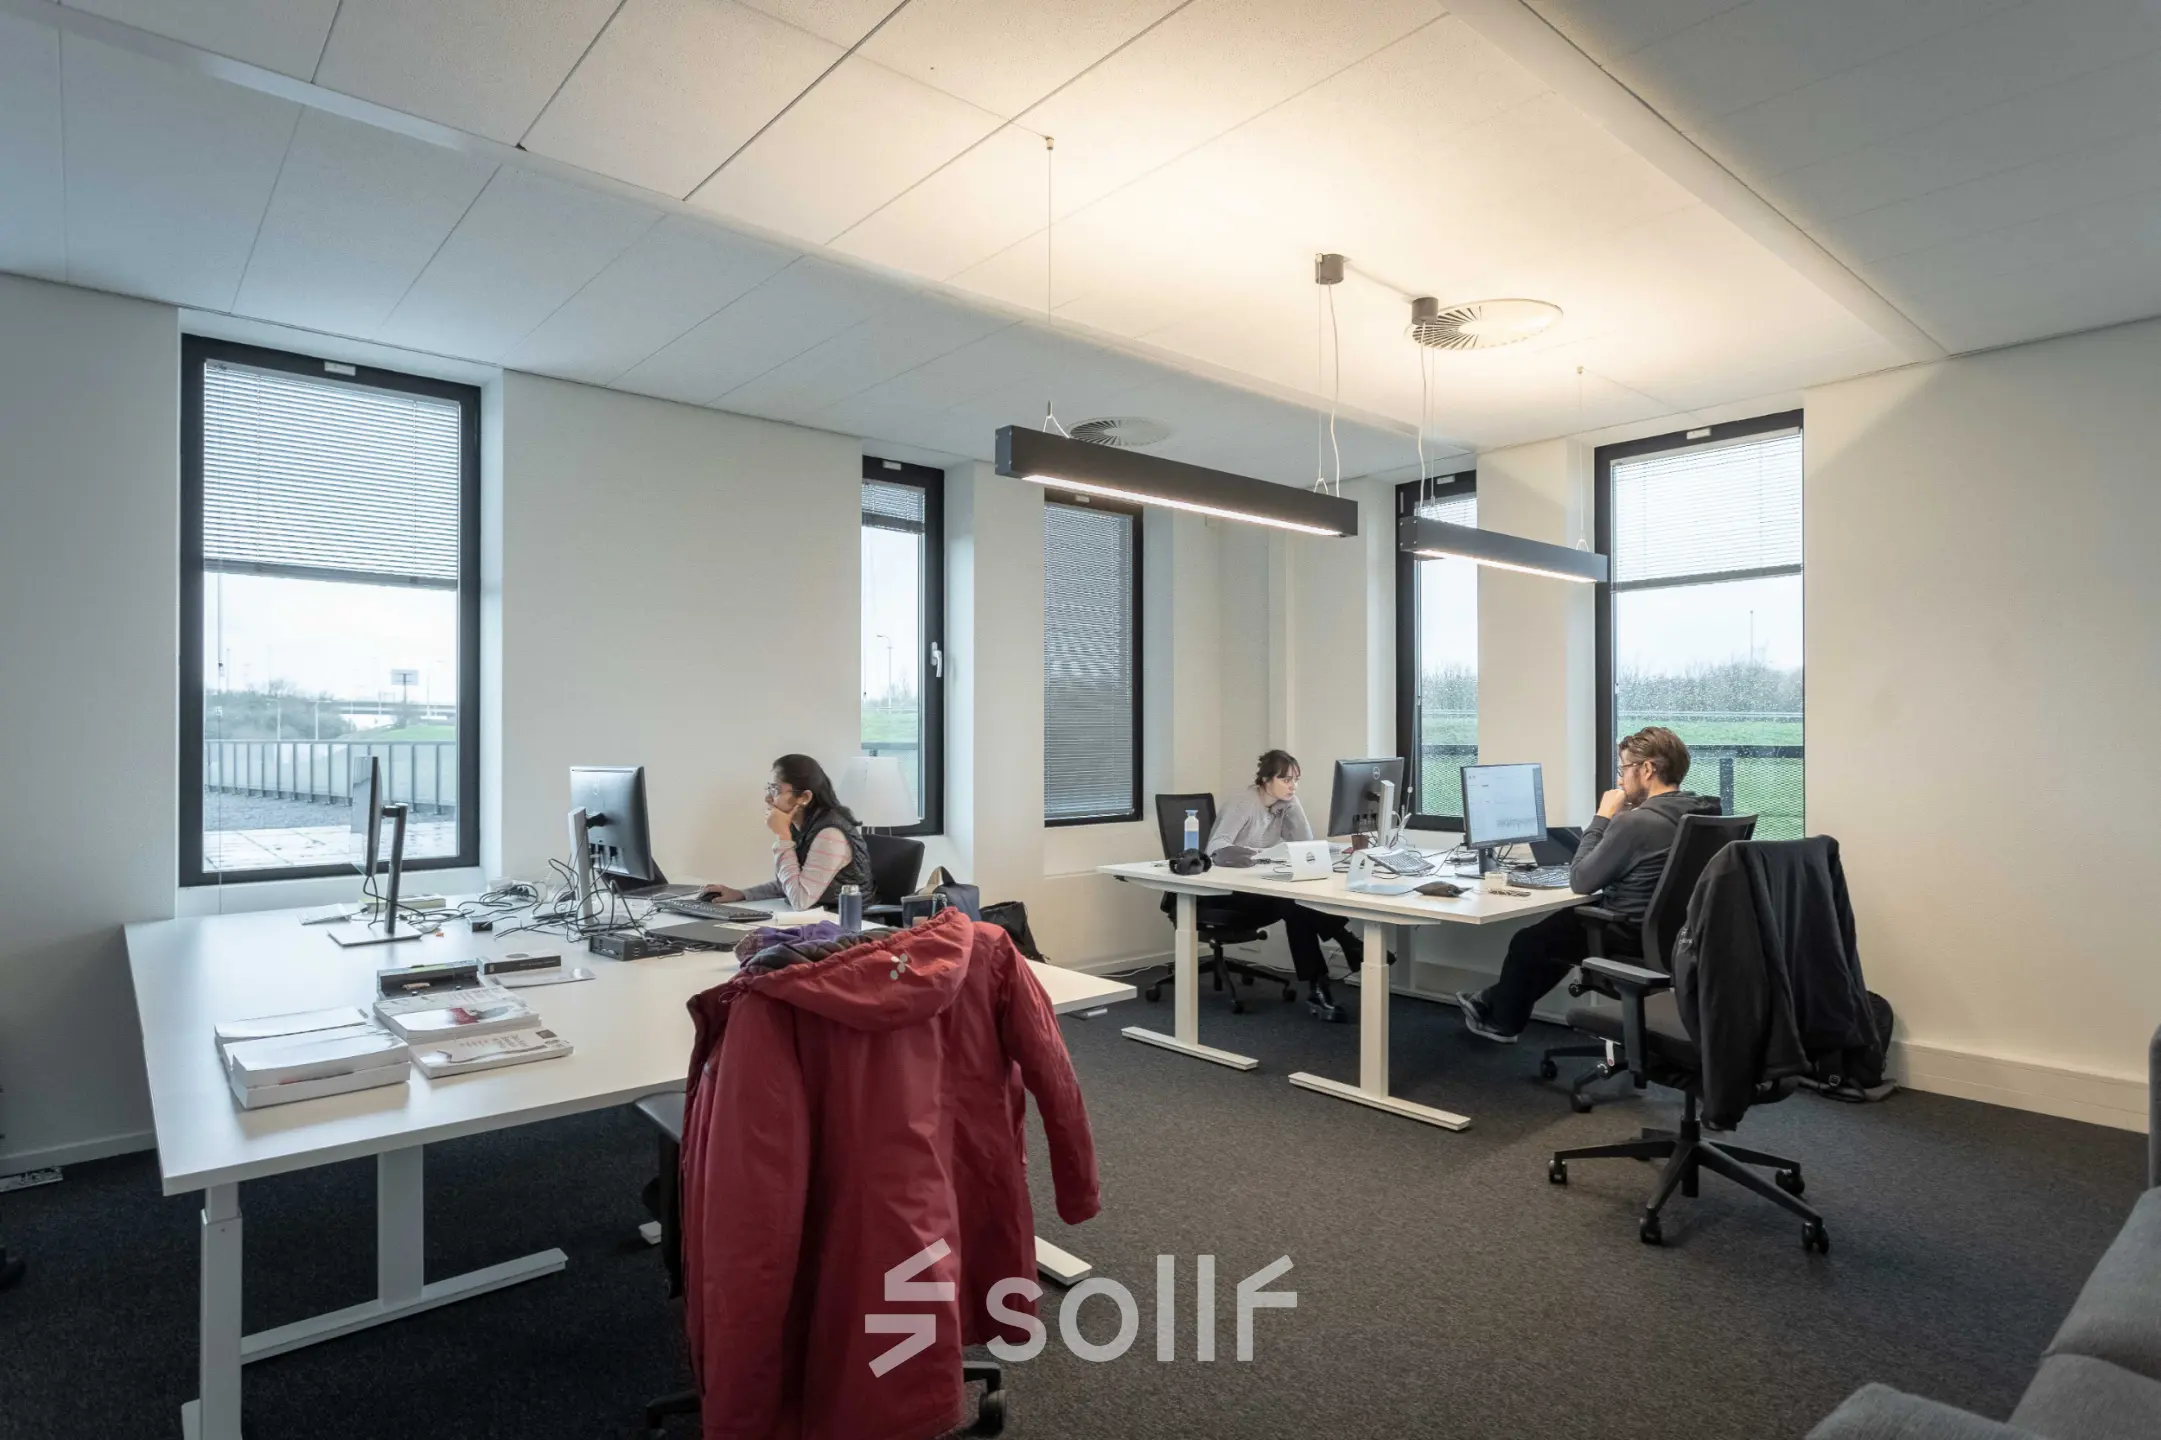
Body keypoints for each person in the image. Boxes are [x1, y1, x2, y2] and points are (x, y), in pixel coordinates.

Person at [1455, 727, 1722, 1043]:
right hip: (1674, 936)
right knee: (1556, 935)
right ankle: (1492, 1001)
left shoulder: (1636, 822)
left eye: (1624, 769)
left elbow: (1580, 880)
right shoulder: (1702, 812)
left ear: (1647, 769)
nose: (1621, 780)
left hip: (1624, 933)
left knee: (1529, 942)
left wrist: (1603, 816)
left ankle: (1500, 1019)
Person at [1206, 749, 1366, 1021]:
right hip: (1227, 893)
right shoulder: (1243, 804)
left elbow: (1306, 845)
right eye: (1286, 779)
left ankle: (1320, 984)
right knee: (1295, 903)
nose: (1293, 786)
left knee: (1298, 907)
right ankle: (1346, 946)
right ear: (1266, 780)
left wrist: (1339, 850)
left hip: (1262, 890)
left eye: (1296, 779)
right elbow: (1215, 848)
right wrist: (1257, 856)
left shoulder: (1287, 802)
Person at [701, 754, 873, 911]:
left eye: (775, 790)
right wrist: (741, 894)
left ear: (804, 797)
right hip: (817, 919)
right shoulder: (802, 826)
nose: (768, 798)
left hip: (847, 925)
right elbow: (790, 883)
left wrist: (782, 837)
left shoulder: (830, 835)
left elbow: (799, 900)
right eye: (769, 788)